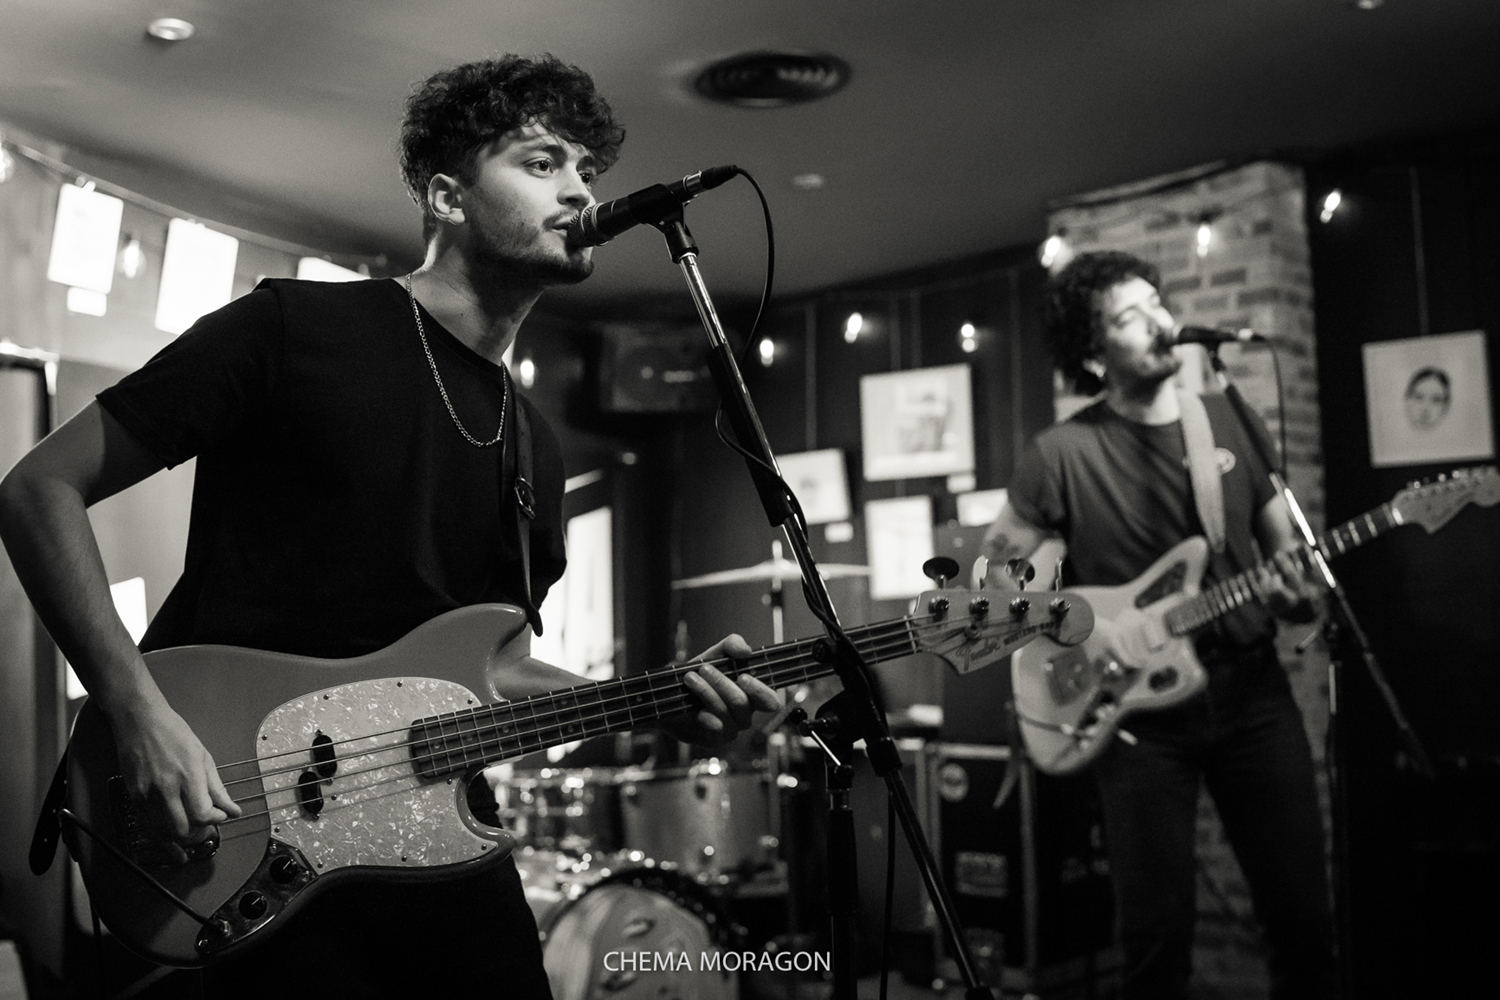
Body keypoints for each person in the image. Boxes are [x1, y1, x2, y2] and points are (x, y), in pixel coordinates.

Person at [0, 54, 780, 998]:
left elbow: (494, 668)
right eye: (542, 163)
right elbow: (39, 489)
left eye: (585, 169)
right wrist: (137, 713)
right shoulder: (293, 329)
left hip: (437, 847)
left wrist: (659, 706)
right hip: (244, 833)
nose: (580, 190)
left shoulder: (533, 444)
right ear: (447, 198)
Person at [981, 251, 1334, 999]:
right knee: (1155, 939)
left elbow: (1293, 572)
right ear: (1093, 354)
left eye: (1154, 302)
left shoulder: (1230, 419)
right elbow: (995, 587)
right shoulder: (1060, 453)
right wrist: (1087, 630)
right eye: (1128, 315)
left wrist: (1296, 599)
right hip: (1138, 719)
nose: (1158, 320)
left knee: (1304, 919)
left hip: (1251, 696)